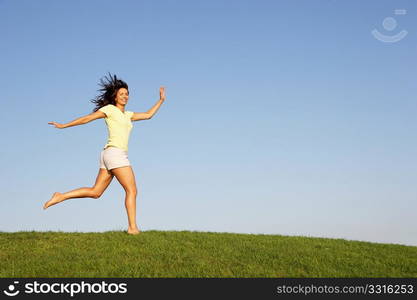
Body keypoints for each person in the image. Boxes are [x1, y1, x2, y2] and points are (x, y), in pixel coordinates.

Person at [43, 73, 166, 235]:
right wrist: (64, 125)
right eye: (121, 94)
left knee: (96, 192)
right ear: (115, 96)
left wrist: (161, 100)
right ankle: (132, 228)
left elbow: (148, 115)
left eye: (127, 94)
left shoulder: (128, 115)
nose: (125, 96)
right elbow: (87, 118)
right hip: (115, 154)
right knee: (132, 190)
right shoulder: (109, 110)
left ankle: (61, 196)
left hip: (108, 155)